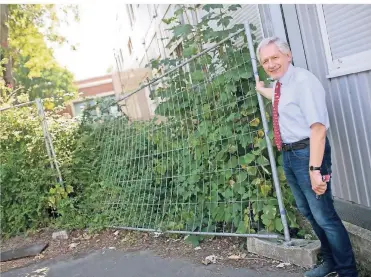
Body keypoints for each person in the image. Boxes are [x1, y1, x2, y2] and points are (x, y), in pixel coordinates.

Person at [254, 36, 358, 277]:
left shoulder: (303, 82)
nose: (270, 64)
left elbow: (318, 129)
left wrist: (314, 170)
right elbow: (284, 102)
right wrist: (262, 90)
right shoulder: (282, 84)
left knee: (325, 216)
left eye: (275, 58)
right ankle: (331, 262)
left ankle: (348, 271)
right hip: (290, 155)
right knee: (309, 212)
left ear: (288, 55)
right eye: (265, 61)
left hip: (308, 154)